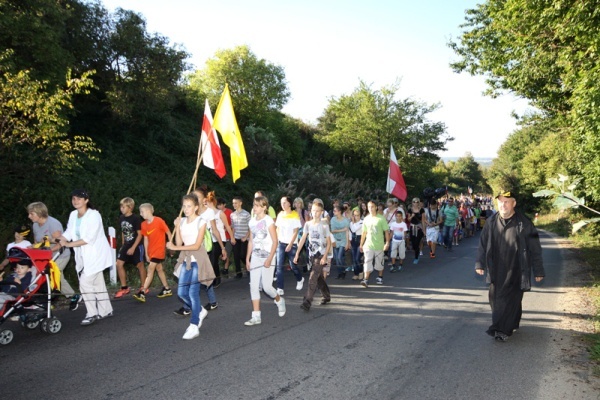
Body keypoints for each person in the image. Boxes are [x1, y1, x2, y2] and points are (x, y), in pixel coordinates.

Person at [475, 190, 545, 342]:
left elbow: (535, 248)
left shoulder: (525, 223)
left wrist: (538, 270)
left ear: (514, 204)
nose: (503, 204)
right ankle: (512, 321)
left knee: (509, 299)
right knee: (495, 299)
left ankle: (501, 330)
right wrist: (480, 263)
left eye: (506, 201)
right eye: (500, 201)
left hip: (517, 269)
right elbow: (482, 244)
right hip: (496, 268)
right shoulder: (491, 222)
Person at [58, 189, 113, 326]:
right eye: (74, 199)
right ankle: (106, 310)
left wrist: (69, 244)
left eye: (79, 199)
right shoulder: (73, 215)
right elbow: (70, 231)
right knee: (97, 282)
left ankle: (92, 313)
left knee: (85, 283)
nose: (76, 201)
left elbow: (89, 238)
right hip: (82, 254)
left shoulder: (94, 215)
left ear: (86, 200)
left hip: (95, 254)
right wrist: (61, 239)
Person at [166, 194, 213, 340]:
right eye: (184, 206)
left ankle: (194, 325)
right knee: (181, 293)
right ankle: (199, 310)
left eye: (189, 206)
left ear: (196, 207)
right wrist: (177, 227)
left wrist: (174, 246)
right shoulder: (182, 221)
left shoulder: (201, 221)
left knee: (193, 293)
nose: (186, 209)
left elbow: (197, 245)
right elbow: (180, 243)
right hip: (186, 260)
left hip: (198, 259)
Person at [244, 196, 286, 326]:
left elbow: (275, 241)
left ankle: (279, 300)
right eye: (253, 205)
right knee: (254, 285)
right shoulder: (251, 222)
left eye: (257, 206)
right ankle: (256, 316)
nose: (254, 208)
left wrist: (269, 258)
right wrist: (247, 258)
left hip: (268, 255)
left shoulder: (268, 221)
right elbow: (251, 240)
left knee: (267, 287)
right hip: (256, 256)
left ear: (264, 207)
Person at [26, 202, 74, 301]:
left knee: (54, 274)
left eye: (31, 214)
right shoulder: (35, 225)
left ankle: (72, 296)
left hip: (60, 254)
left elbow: (60, 242)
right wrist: (33, 247)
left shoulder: (53, 223)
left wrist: (49, 251)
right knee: (46, 275)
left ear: (39, 213)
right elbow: (37, 241)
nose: (29, 216)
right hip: (46, 255)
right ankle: (66, 295)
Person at [294, 201, 331, 311]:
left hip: (320, 255)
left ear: (321, 212)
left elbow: (329, 242)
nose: (315, 213)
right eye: (313, 210)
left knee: (313, 277)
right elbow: (303, 239)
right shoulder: (308, 224)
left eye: (317, 211)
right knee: (318, 277)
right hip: (311, 254)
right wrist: (297, 253)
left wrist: (325, 257)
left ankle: (307, 301)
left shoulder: (324, 225)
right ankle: (326, 295)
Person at [133, 203, 173, 302]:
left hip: (159, 250)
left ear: (148, 211)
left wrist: (171, 244)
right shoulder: (143, 224)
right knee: (159, 269)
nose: (141, 214)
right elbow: (145, 239)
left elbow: (168, 232)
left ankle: (142, 292)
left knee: (150, 269)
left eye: (142, 212)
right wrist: (146, 253)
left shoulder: (159, 221)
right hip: (151, 251)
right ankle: (167, 289)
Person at [114, 197, 146, 298]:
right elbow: (123, 232)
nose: (121, 209)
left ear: (130, 207)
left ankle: (144, 287)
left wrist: (133, 248)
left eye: (123, 207)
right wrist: (124, 245)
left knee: (139, 265)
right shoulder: (121, 218)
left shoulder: (135, 219)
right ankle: (124, 288)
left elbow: (140, 235)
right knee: (119, 264)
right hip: (127, 245)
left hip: (137, 245)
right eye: (121, 207)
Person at [275, 196, 304, 296]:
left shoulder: (295, 215)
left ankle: (300, 279)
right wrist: (276, 241)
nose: (283, 205)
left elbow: (295, 232)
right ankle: (280, 287)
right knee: (279, 266)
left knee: (293, 266)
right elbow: (277, 229)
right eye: (281, 203)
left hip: (292, 243)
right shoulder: (280, 215)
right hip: (281, 243)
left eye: (284, 202)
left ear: (289, 204)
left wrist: (290, 244)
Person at [359, 201, 390, 287]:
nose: (370, 208)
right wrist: (361, 244)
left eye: (372, 206)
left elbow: (386, 232)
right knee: (367, 261)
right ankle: (366, 279)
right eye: (369, 207)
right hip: (368, 244)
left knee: (379, 262)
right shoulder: (366, 218)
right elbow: (364, 232)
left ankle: (380, 277)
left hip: (379, 244)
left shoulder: (381, 218)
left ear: (376, 207)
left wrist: (387, 243)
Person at [230, 196, 251, 279]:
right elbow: (233, 227)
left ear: (240, 203)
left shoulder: (246, 214)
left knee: (243, 255)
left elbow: (250, 227)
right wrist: (232, 237)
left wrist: (246, 237)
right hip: (236, 238)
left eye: (235, 203)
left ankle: (249, 267)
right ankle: (238, 273)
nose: (234, 205)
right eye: (233, 203)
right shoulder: (232, 214)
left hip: (244, 239)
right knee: (236, 256)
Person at [330, 205, 350, 279]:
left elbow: (347, 232)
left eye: (335, 211)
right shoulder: (333, 219)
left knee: (339, 257)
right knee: (336, 258)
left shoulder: (346, 220)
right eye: (333, 211)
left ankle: (343, 270)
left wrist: (347, 243)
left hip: (343, 240)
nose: (333, 212)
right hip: (335, 240)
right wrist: (342, 230)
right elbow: (332, 231)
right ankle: (340, 272)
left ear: (339, 212)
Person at [217, 198, 234, 277]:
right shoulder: (216, 212)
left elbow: (232, 223)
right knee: (220, 254)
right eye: (218, 205)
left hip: (227, 236)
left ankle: (226, 269)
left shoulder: (229, 212)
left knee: (227, 252)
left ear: (224, 204)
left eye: (220, 205)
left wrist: (227, 229)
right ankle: (228, 262)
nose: (219, 206)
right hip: (219, 237)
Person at [407, 198, 425, 264]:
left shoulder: (422, 210)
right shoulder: (410, 210)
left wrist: (424, 230)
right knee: (414, 244)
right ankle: (416, 252)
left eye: (417, 202)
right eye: (414, 202)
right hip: (412, 227)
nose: (416, 203)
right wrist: (411, 216)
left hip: (419, 228)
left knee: (417, 243)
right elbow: (408, 220)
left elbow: (423, 220)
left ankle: (416, 257)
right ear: (412, 202)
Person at [349, 209, 363, 280]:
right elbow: (350, 232)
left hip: (360, 240)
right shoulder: (351, 223)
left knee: (357, 258)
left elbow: (354, 229)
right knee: (354, 259)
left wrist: (353, 223)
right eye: (354, 215)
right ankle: (356, 273)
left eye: (357, 215)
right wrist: (349, 242)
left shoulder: (362, 223)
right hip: (353, 241)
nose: (356, 217)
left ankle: (361, 271)